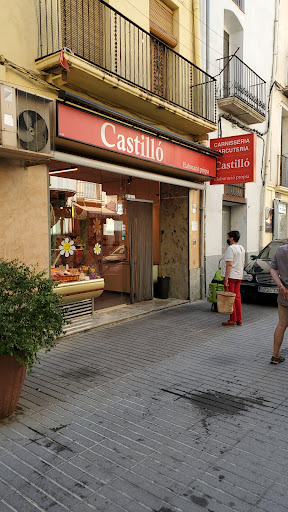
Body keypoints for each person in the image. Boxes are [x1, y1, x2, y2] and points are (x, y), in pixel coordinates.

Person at [221, 230, 245, 326]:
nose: (227, 239)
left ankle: (232, 319)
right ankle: (239, 319)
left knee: (231, 298)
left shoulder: (230, 249)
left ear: (232, 238)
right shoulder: (241, 248)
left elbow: (229, 264)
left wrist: (226, 278)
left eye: (228, 237)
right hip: (239, 275)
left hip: (231, 276)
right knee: (237, 297)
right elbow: (242, 263)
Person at [269, 244, 288, 364]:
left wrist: (281, 286)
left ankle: (275, 355)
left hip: (284, 294)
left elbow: (272, 269)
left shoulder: (281, 250)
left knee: (281, 324)